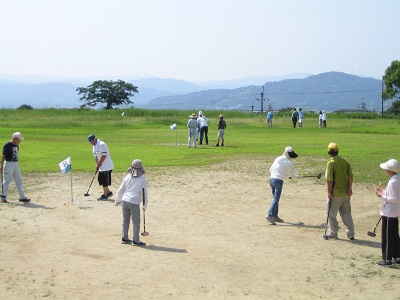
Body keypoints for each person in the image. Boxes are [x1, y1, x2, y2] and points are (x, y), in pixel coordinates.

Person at [324, 142, 354, 240]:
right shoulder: (345, 161)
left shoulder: (331, 163)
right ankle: (351, 233)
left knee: (331, 213)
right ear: (337, 151)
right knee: (346, 213)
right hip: (345, 193)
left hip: (335, 193)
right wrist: (349, 188)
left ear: (329, 152)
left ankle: (333, 232)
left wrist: (329, 193)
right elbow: (350, 175)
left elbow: (330, 180)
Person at [115, 159, 148, 246]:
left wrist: (117, 200)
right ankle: (136, 240)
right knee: (136, 222)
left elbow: (121, 189)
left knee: (125, 220)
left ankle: (124, 238)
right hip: (134, 202)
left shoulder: (127, 177)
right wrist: (144, 205)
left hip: (125, 200)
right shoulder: (142, 178)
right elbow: (144, 193)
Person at [374, 159, 400, 267]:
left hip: (390, 212)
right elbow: (393, 195)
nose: (385, 171)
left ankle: (387, 259)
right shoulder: (396, 179)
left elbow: (394, 198)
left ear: (390, 170)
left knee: (387, 237)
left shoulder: (394, 181)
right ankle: (397, 256)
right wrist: (383, 192)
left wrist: (382, 196)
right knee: (394, 235)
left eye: (386, 169)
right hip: (393, 212)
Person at [266, 146, 300, 225]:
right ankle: (270, 215)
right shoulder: (288, 163)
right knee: (276, 199)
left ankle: (275, 216)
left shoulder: (278, 158)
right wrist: (297, 177)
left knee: (275, 199)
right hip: (278, 180)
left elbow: (270, 169)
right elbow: (294, 175)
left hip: (271, 179)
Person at [1, 132, 31, 203]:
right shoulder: (7, 145)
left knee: (19, 180)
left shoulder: (16, 146)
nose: (20, 141)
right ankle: (3, 196)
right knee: (6, 180)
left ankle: (22, 196)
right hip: (9, 164)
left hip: (15, 164)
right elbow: (3, 156)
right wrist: (1, 166)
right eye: (19, 140)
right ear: (15, 138)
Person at [88, 134, 114, 200]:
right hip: (101, 166)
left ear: (95, 139)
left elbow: (104, 156)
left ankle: (105, 195)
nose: (92, 143)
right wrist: (97, 164)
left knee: (105, 181)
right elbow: (95, 156)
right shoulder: (94, 146)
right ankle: (108, 192)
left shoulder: (102, 144)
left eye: (92, 141)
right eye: (90, 142)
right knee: (101, 180)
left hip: (107, 166)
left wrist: (100, 163)